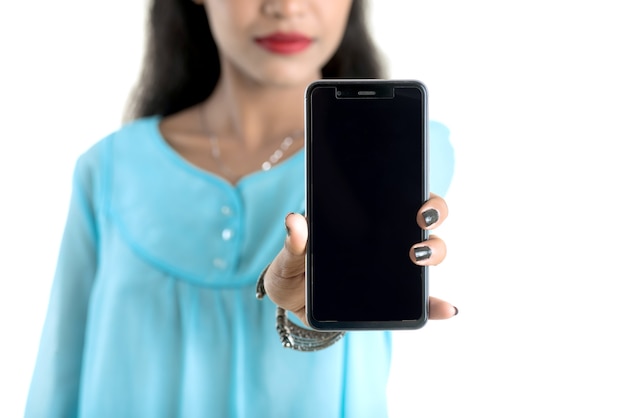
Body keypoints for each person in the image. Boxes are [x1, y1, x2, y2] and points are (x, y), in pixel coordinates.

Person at [25, 0, 457, 417]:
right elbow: (58, 375)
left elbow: (357, 279)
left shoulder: (408, 144)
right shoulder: (107, 169)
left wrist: (313, 312)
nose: (287, 7)